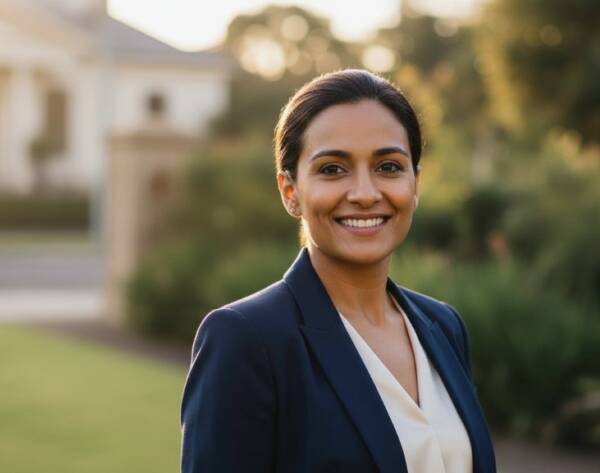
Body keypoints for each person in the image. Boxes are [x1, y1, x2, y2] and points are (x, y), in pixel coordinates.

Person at [180, 69, 496, 473]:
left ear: (415, 183)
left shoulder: (444, 326)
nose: (365, 193)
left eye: (388, 167)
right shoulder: (246, 340)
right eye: (332, 169)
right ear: (290, 191)